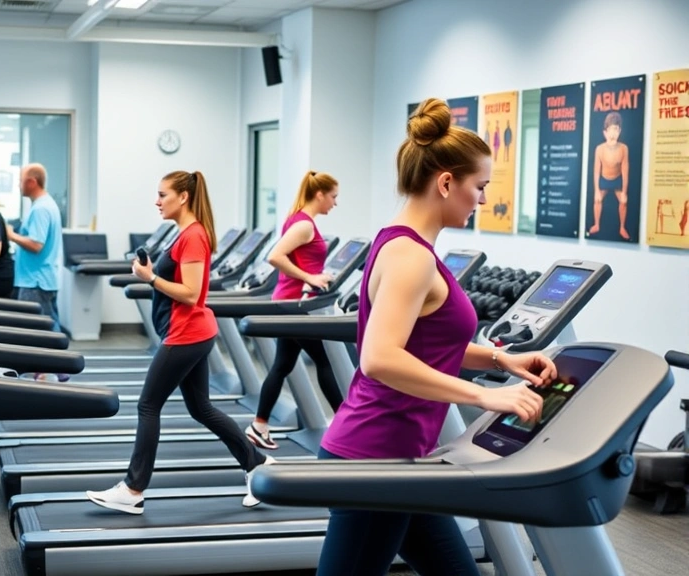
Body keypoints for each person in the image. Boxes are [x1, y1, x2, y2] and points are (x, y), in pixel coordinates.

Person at [315, 97, 558, 576]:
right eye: (479, 186)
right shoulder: (412, 257)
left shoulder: (401, 242)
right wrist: (484, 397)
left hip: (401, 457)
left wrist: (500, 360)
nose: (482, 200)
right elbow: (379, 358)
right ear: (446, 183)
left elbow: (425, 344)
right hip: (376, 461)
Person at [85, 170, 273, 515]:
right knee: (201, 408)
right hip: (190, 332)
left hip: (186, 333)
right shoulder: (183, 233)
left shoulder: (194, 236)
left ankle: (133, 489)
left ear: (183, 197)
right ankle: (256, 464)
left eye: (163, 195)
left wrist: (150, 277)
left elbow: (190, 293)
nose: (157, 201)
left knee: (148, 405)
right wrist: (152, 273)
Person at [244, 169, 343, 451]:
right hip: (293, 305)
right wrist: (310, 277)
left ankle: (259, 425)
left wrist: (315, 276)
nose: (335, 203)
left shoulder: (298, 219)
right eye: (333, 197)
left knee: (282, 365)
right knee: (325, 361)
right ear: (319, 194)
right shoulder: (304, 225)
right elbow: (274, 256)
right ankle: (347, 426)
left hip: (289, 303)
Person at [7, 163, 66, 382]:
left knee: (35, 329)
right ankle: (57, 368)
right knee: (49, 325)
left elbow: (36, 244)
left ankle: (54, 368)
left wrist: (11, 235)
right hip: (41, 277)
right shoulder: (46, 204)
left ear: (32, 182)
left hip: (35, 280)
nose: (18, 185)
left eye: (21, 180)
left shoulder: (41, 208)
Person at [588, 111, 630, 240]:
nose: (613, 133)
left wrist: (624, 192)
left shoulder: (623, 148)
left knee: (623, 201)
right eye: (611, 130)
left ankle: (622, 227)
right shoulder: (599, 149)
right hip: (604, 179)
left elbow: (625, 171)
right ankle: (597, 224)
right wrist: (596, 190)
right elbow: (596, 171)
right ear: (605, 132)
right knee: (597, 200)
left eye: (616, 129)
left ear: (619, 131)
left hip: (617, 179)